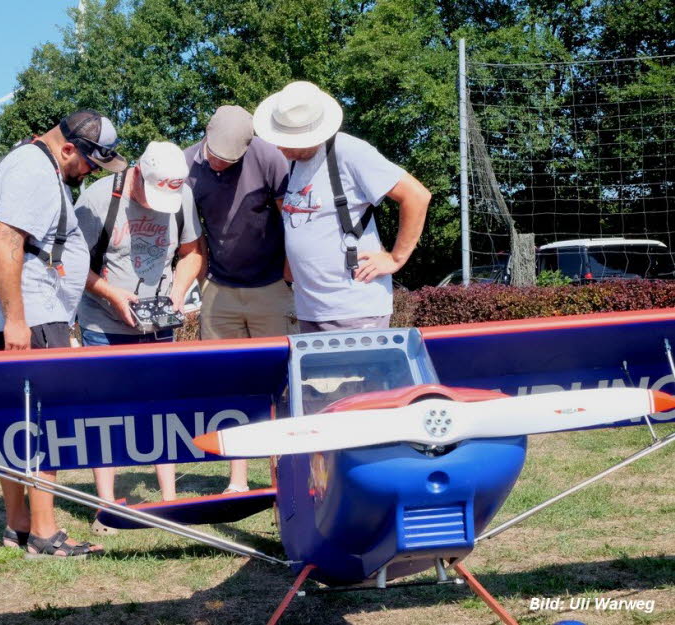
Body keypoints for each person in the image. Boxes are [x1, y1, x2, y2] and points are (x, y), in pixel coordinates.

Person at [0, 109, 127, 558]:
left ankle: (18, 523)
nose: (88, 173)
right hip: (31, 317)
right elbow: (5, 242)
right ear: (67, 148)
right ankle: (44, 533)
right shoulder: (35, 171)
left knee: (14, 423)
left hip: (23, 314)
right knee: (42, 425)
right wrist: (17, 320)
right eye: (88, 164)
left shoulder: (25, 161)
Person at [74, 141, 204, 532]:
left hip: (158, 322)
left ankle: (169, 503)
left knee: (162, 410)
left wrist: (178, 292)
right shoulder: (97, 200)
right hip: (103, 323)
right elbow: (72, 265)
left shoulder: (182, 194)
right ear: (139, 177)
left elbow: (192, 251)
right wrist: (112, 294)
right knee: (106, 414)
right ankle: (107, 507)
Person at [253, 81, 431, 332]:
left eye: (287, 140)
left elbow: (416, 196)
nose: (279, 146)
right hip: (310, 309)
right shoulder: (294, 164)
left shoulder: (349, 152)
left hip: (354, 311)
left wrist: (395, 258)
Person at [184, 105, 293, 494]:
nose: (219, 164)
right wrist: (198, 283)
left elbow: (290, 217)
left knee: (280, 385)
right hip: (219, 288)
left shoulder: (270, 157)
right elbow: (188, 235)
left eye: (229, 160)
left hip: (271, 287)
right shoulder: (186, 166)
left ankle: (285, 477)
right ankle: (237, 480)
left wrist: (288, 270)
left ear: (248, 147)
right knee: (227, 385)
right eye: (214, 155)